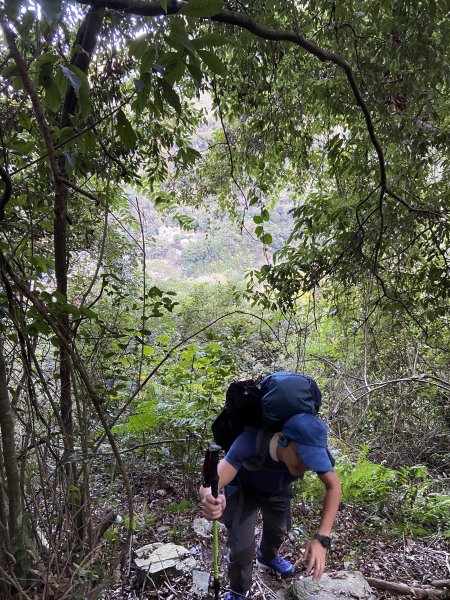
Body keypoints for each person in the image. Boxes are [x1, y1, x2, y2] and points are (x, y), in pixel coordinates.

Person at [200, 413, 341, 600]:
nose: (305, 465)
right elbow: (209, 485)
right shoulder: (251, 440)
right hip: (243, 489)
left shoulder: (313, 447)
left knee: (278, 531)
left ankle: (267, 557)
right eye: (301, 455)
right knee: (241, 551)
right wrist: (209, 499)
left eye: (312, 460)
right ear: (282, 439)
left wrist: (322, 539)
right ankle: (237, 590)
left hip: (278, 490)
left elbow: (334, 486)